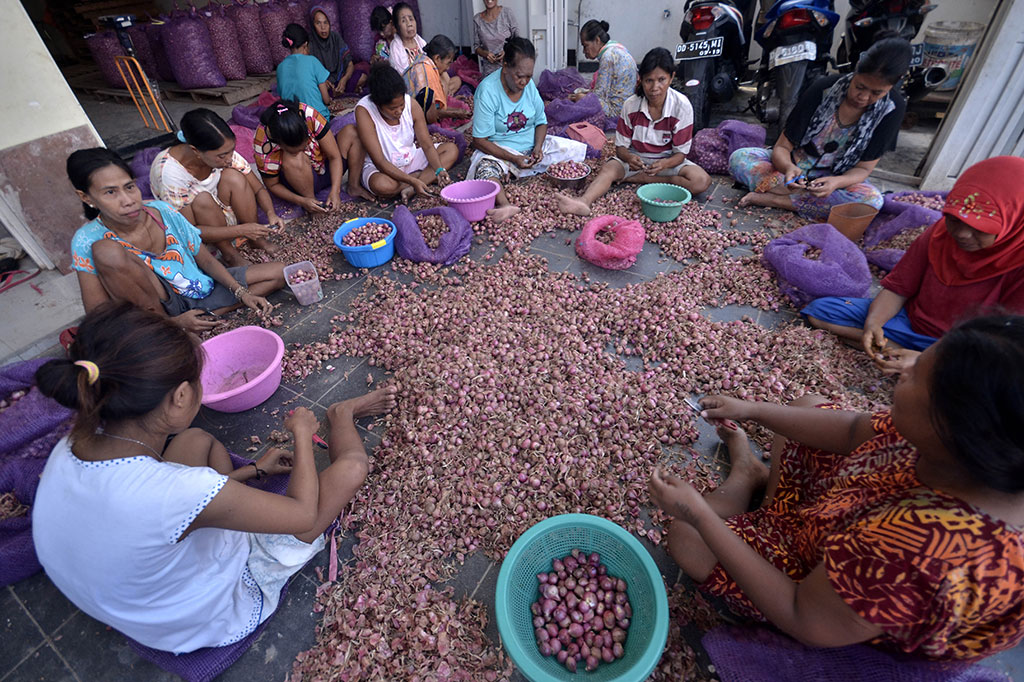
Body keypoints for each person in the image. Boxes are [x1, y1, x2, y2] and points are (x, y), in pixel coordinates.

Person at [649, 313, 1024, 662]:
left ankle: (744, 485)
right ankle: (765, 505)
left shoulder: (920, 553)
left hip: (825, 603)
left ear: (953, 431)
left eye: (918, 374)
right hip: (853, 515)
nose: (904, 367)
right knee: (808, 408)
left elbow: (803, 616)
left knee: (686, 536)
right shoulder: (964, 451)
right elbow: (850, 430)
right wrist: (754, 409)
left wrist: (696, 512)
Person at [32, 301, 398, 654]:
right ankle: (342, 415)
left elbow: (168, 504)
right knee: (352, 468)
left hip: (130, 602)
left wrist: (255, 471)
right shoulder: (173, 492)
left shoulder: (69, 446)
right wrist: (302, 433)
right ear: (179, 397)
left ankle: (234, 499)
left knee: (195, 440)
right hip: (202, 617)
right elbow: (302, 515)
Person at [802, 156, 1024, 372]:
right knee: (822, 312)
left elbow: (1003, 346)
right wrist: (874, 324)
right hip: (909, 323)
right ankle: (901, 353)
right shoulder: (938, 235)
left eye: (981, 228)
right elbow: (898, 289)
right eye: (954, 219)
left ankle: (922, 362)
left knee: (990, 378)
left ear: (1015, 220)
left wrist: (927, 359)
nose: (963, 234)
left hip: (969, 348)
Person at [67, 149, 284, 333]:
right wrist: (173, 322)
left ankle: (205, 315)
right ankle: (169, 327)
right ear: (86, 197)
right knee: (108, 252)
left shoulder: (162, 211)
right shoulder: (87, 240)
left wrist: (241, 293)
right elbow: (97, 311)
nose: (127, 201)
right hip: (157, 308)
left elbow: (206, 261)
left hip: (199, 286)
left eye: (130, 187)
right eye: (110, 192)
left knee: (280, 272)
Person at [729, 38, 911, 221]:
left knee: (871, 201)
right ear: (856, 70)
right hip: (793, 171)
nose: (863, 97)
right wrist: (788, 167)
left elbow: (863, 169)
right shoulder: (823, 89)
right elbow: (782, 147)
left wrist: (836, 182)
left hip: (834, 180)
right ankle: (803, 199)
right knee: (740, 158)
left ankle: (776, 199)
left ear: (893, 84)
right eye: (860, 87)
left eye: (876, 93)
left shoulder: (893, 110)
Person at [557, 47, 710, 217]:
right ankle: (583, 202)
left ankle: (641, 179)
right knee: (609, 169)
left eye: (661, 80)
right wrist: (630, 158)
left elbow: (680, 155)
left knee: (701, 181)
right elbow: (621, 149)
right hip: (635, 161)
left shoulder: (682, 106)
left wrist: (664, 164)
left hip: (668, 163)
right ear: (641, 80)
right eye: (649, 81)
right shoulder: (631, 105)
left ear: (671, 77)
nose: (655, 88)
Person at [469, 37, 587, 223]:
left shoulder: (529, 86)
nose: (524, 82)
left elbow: (541, 122)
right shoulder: (487, 91)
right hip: (501, 151)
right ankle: (506, 204)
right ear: (505, 66)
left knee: (575, 150)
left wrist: (538, 148)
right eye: (519, 76)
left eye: (529, 76)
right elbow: (479, 140)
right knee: (485, 170)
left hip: (531, 149)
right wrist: (513, 158)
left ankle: (571, 195)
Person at [150, 108, 282, 267]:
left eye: (231, 151)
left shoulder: (224, 154)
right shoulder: (169, 174)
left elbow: (258, 189)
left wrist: (270, 213)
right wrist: (242, 230)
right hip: (201, 232)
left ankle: (256, 240)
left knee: (234, 177)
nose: (229, 159)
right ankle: (228, 253)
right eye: (222, 155)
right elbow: (192, 231)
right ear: (195, 151)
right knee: (203, 199)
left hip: (225, 213)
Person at [355, 63, 458, 201]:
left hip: (410, 157)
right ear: (378, 104)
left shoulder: (412, 104)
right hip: (383, 167)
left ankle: (412, 186)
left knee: (451, 150)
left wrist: (439, 170)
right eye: (392, 108)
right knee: (382, 186)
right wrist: (412, 180)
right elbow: (379, 161)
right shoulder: (364, 111)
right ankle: (421, 179)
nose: (399, 111)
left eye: (401, 105)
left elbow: (426, 144)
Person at [254, 99, 373, 211]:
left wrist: (335, 191)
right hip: (296, 179)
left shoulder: (308, 114)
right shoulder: (263, 141)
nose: (305, 149)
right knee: (294, 158)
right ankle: (313, 203)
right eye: (295, 149)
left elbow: (334, 157)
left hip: (323, 168)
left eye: (305, 145)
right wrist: (302, 201)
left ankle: (354, 186)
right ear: (280, 144)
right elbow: (273, 185)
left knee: (352, 132)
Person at [567, 20, 637, 120]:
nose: (584, 51)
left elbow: (598, 95)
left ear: (597, 40)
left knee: (579, 98)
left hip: (617, 111)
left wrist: (581, 97)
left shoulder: (607, 57)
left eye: (585, 46)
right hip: (628, 105)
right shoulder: (617, 48)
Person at [403, 34, 470, 124]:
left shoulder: (426, 62)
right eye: (448, 63)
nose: (448, 68)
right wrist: (455, 113)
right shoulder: (426, 71)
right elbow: (430, 113)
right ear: (437, 58)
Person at [276, 24, 332, 121]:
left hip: (293, 122)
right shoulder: (312, 61)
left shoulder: (280, 67)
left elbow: (284, 98)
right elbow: (326, 99)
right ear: (306, 44)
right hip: (317, 120)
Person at [308, 6, 366, 95]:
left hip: (340, 78)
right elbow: (310, 74)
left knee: (362, 77)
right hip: (325, 84)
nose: (323, 27)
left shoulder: (335, 37)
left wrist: (344, 80)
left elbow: (350, 64)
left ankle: (340, 91)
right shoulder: (310, 44)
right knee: (316, 90)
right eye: (318, 23)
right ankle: (342, 92)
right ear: (313, 25)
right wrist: (324, 83)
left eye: (325, 23)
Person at [473, 0, 518, 78]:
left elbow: (517, 40)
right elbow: (476, 47)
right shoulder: (477, 19)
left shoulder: (507, 13)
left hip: (509, 67)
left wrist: (506, 51)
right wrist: (485, 54)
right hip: (489, 72)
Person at [387, 3, 425, 75]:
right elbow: (403, 77)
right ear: (396, 27)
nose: (409, 24)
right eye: (403, 21)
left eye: (411, 19)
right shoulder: (396, 49)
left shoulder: (420, 41)